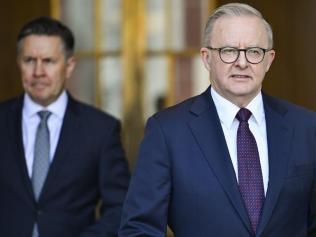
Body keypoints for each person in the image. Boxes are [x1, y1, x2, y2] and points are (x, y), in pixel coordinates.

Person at [119, 3, 316, 237]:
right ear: (207, 58)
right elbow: (139, 229)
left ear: (269, 60)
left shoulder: (306, 127)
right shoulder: (167, 131)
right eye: (229, 50)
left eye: (254, 51)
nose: (242, 62)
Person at [0, 16, 130, 237]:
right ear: (18, 63)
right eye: (29, 60)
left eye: (49, 61)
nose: (38, 71)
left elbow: (121, 208)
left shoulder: (101, 130)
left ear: (69, 66)